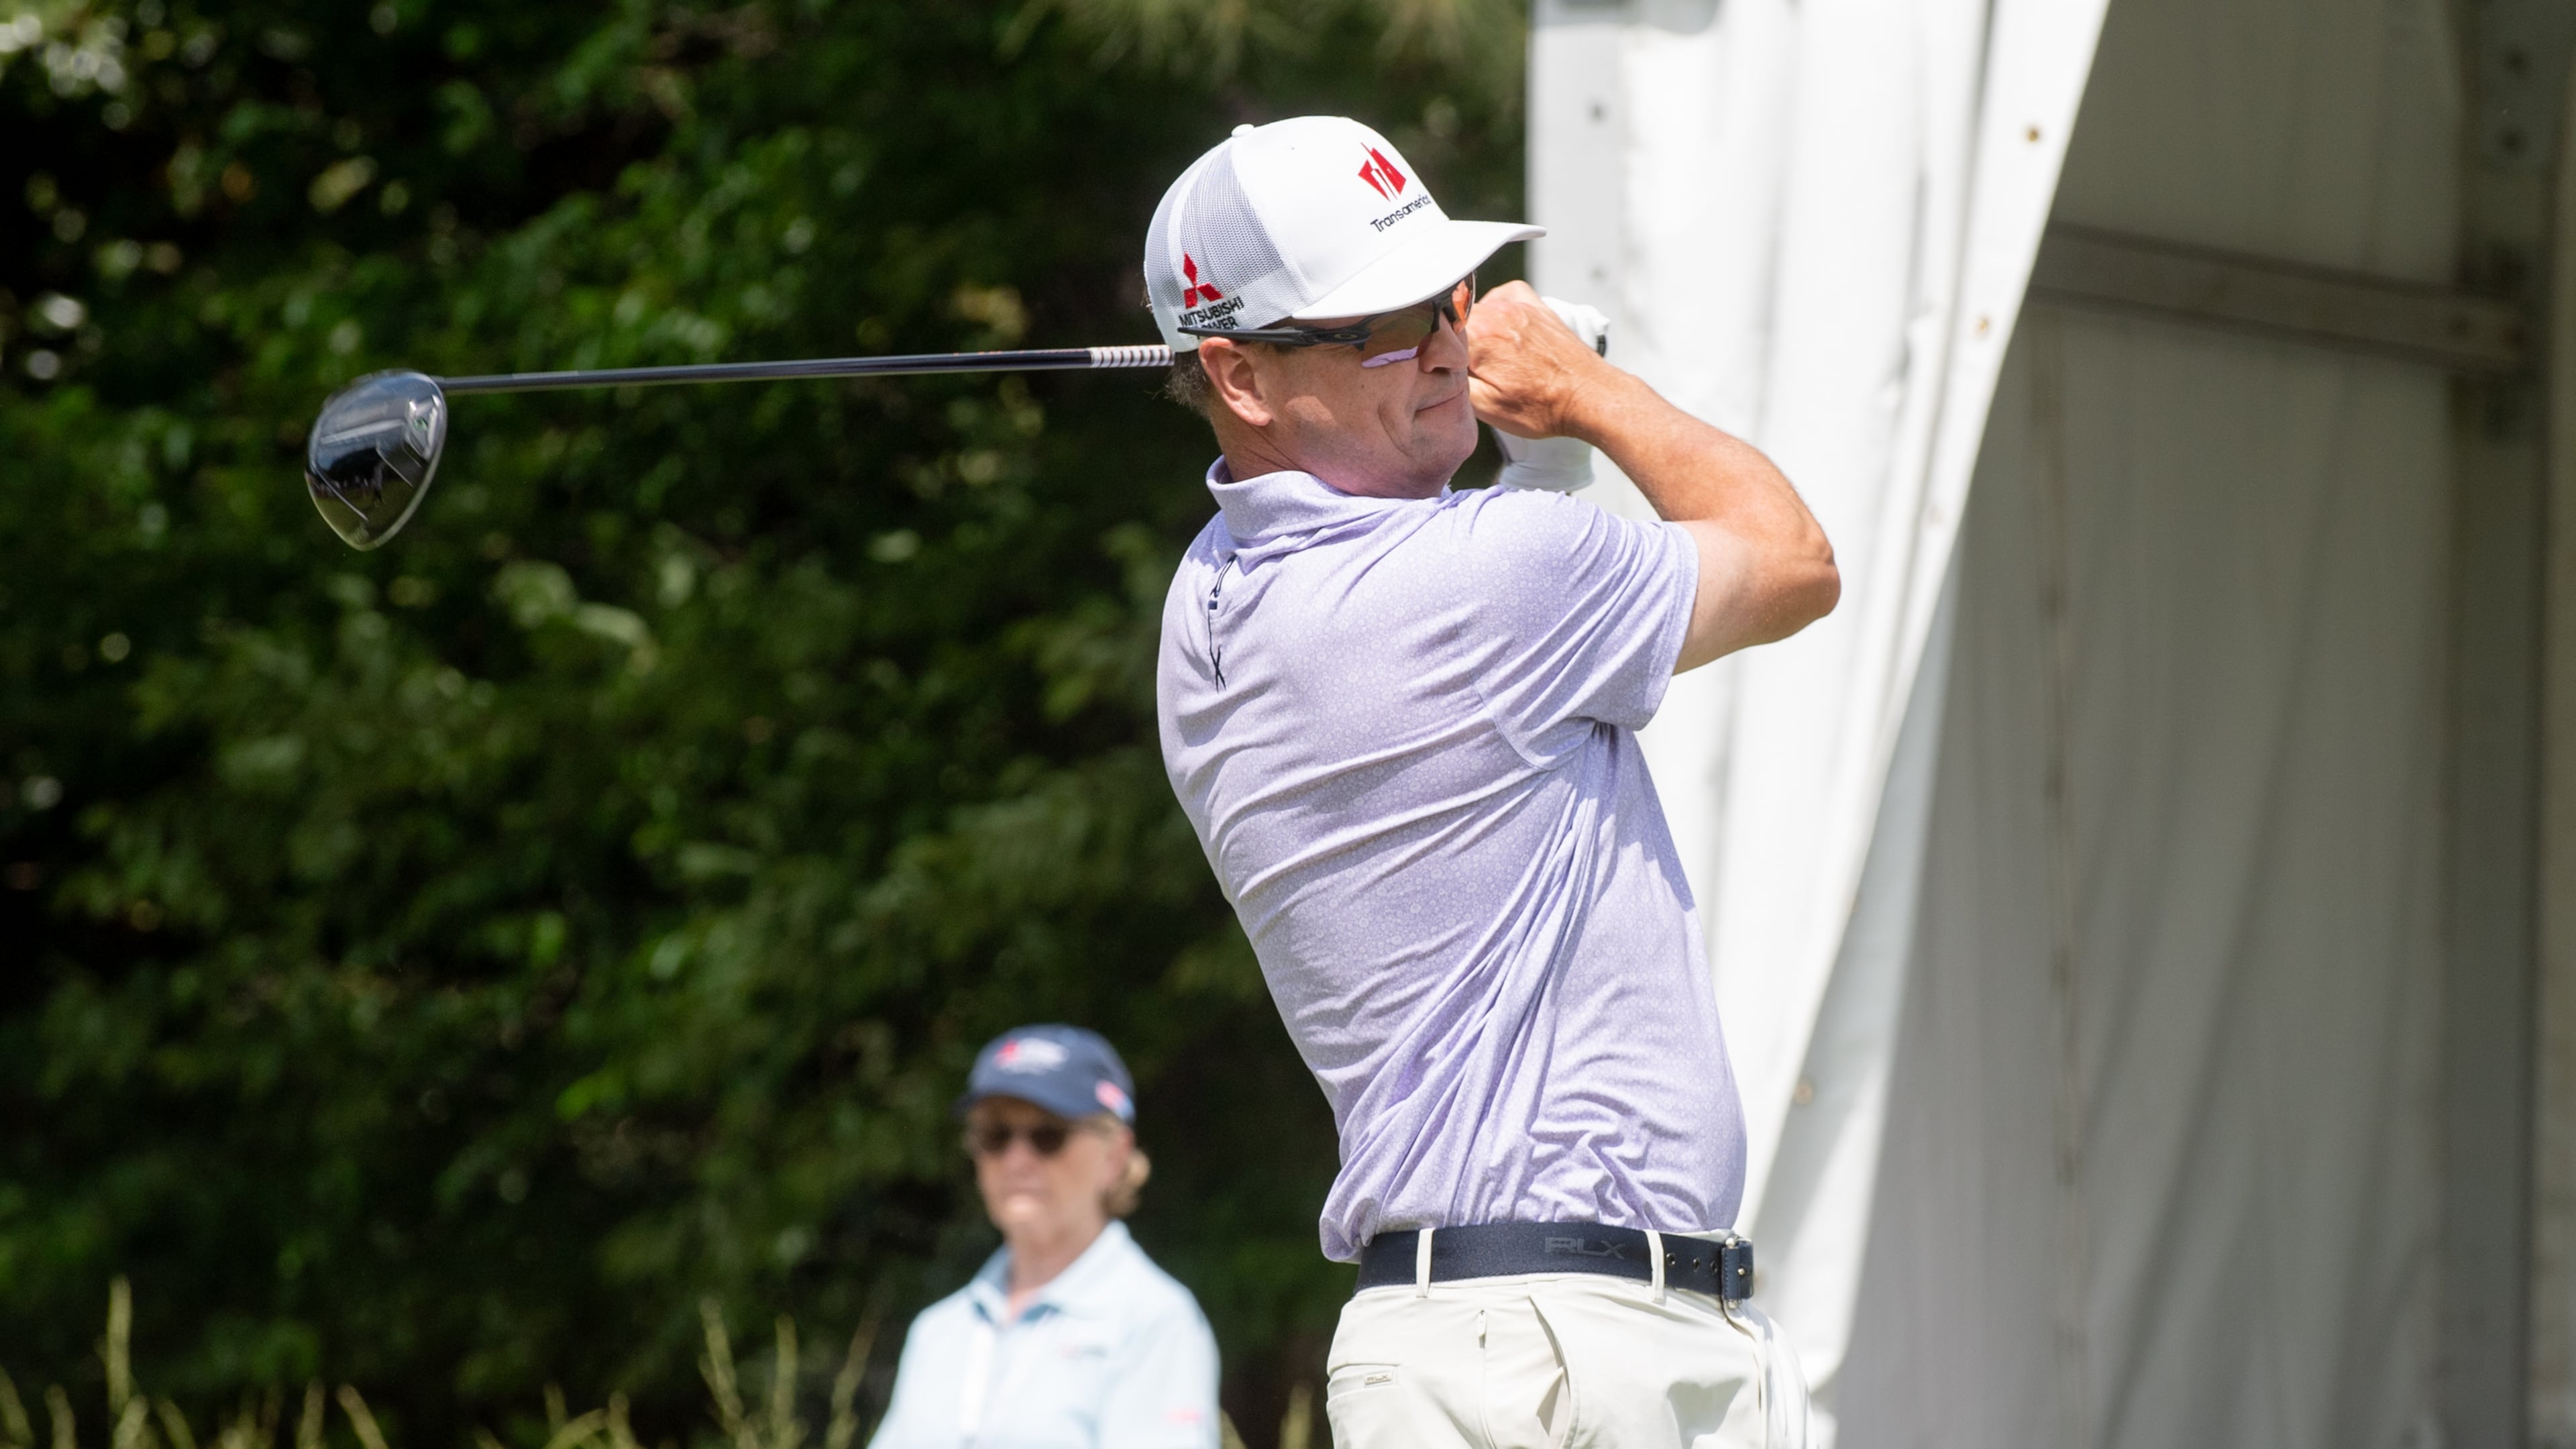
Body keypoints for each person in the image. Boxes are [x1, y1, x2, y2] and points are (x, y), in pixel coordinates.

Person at [1146, 117, 1840, 1447]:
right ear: (1238, 374)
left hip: (1492, 1341)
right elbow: (1793, 558)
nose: (1447, 346)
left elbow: (1496, 669)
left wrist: (1517, 445)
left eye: (1449, 299)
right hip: (1570, 1354)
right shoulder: (1486, 582)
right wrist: (1583, 390)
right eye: (1384, 326)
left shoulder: (1207, 608)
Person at [868, 1024, 1220, 1449]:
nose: (1017, 1161)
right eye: (995, 1135)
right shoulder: (938, 1332)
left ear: (1114, 1156)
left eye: (1048, 1135)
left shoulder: (1153, 1321)